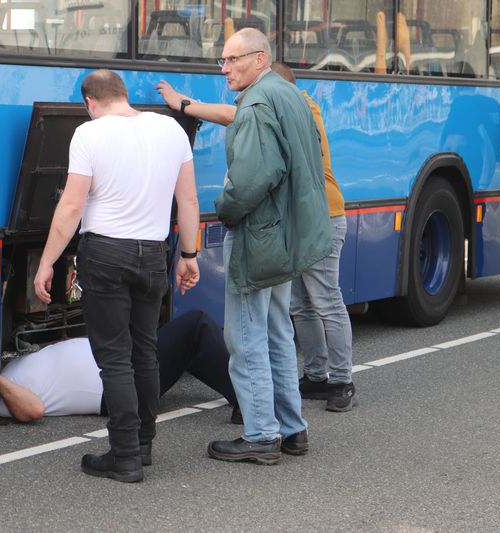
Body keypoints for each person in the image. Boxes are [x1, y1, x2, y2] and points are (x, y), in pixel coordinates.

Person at [157, 63, 357, 412]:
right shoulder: (290, 104)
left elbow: (232, 116)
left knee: (325, 300)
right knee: (300, 304)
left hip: (322, 215)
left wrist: (185, 104)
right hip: (295, 218)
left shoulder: (297, 107)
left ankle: (342, 380)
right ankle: (316, 376)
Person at [33, 69, 200, 483]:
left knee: (114, 357)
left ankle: (123, 455)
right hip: (153, 253)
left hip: (106, 253)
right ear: (123, 94)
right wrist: (189, 255)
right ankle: (143, 444)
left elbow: (72, 207)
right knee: (145, 350)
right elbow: (188, 200)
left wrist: (47, 262)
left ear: (90, 102)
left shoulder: (89, 134)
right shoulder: (171, 129)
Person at [204, 28, 333, 465]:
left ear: (260, 58)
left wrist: (224, 209)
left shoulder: (256, 104)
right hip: (285, 233)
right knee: (278, 331)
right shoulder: (290, 94)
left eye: (232, 59)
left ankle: (261, 434)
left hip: (259, 235)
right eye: (222, 60)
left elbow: (250, 181)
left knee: (244, 337)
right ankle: (292, 428)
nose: (225, 69)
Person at [0, 310, 238, 424]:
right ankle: (247, 401)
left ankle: (242, 394)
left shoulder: (5, 370)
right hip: (118, 385)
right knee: (197, 325)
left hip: (119, 364)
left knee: (187, 345)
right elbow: (34, 409)